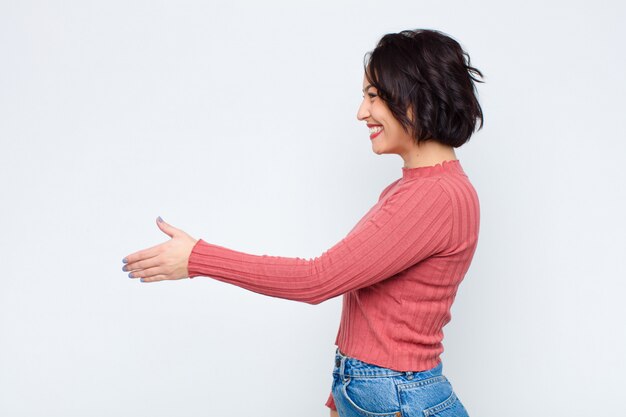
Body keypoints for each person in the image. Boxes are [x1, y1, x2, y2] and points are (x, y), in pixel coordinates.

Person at [122, 28, 484, 417]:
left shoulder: (432, 197)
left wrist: (198, 258)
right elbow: (377, 306)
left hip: (396, 393)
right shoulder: (423, 189)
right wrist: (347, 393)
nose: (361, 112)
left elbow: (318, 279)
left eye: (373, 96)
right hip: (385, 390)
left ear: (414, 96)